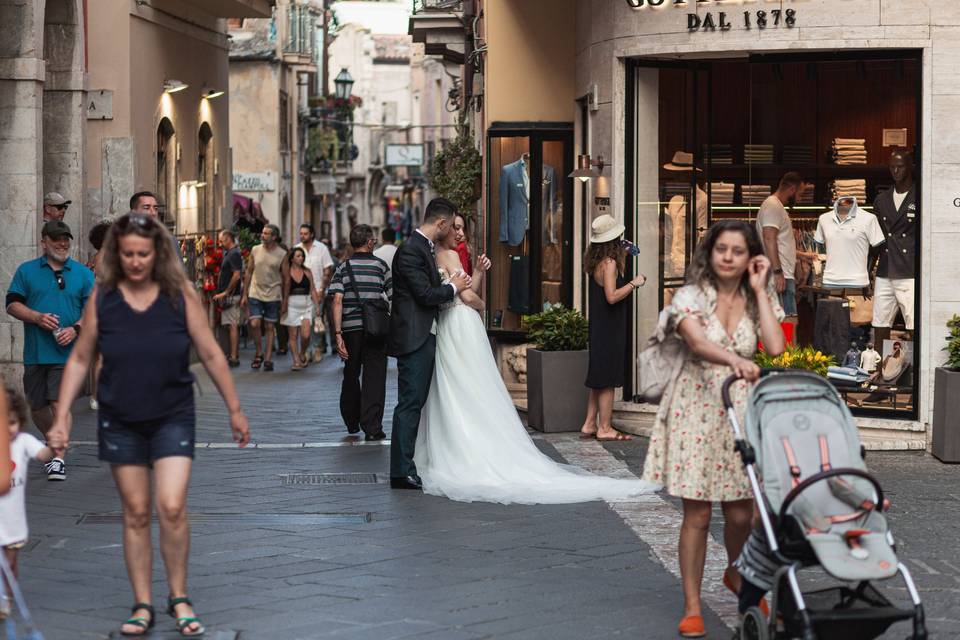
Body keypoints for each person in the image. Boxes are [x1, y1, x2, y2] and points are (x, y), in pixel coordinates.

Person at [47, 212, 251, 636]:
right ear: (117, 256)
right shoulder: (103, 298)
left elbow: (211, 353)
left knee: (171, 507)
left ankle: (179, 596)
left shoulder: (181, 295)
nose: (136, 261)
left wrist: (235, 408)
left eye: (143, 254)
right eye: (128, 255)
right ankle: (142, 603)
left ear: (156, 253)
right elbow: (81, 358)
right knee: (136, 512)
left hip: (173, 413)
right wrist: (63, 414)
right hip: (120, 417)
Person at [412, 206, 659, 504]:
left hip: (458, 326)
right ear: (443, 227)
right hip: (458, 323)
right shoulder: (445, 254)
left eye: (461, 227)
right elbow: (466, 296)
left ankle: (461, 446)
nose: (461, 233)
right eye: (457, 227)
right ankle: (469, 446)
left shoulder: (447, 254)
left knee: (462, 387)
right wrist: (477, 303)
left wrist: (476, 275)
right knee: (464, 387)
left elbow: (466, 291)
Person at [641, 220, 785, 638]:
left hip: (740, 412)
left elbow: (775, 347)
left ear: (750, 257)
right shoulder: (689, 295)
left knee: (743, 512)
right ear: (710, 252)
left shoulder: (758, 294)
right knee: (698, 513)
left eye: (737, 251)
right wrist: (734, 361)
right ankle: (691, 605)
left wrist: (761, 289)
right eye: (721, 248)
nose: (728, 257)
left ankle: (737, 575)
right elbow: (698, 342)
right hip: (696, 408)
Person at [387, 198, 471, 490]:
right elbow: (424, 294)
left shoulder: (423, 248)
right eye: (450, 225)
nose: (451, 231)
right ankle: (400, 471)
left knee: (416, 401)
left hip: (425, 334)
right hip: (414, 336)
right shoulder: (412, 249)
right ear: (441, 223)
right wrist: (453, 287)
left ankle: (407, 465)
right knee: (410, 402)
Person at [5, 220, 94, 481]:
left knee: (59, 404)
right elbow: (11, 304)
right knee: (37, 406)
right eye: (56, 239)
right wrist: (36, 317)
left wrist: (76, 329)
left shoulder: (82, 274)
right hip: (36, 351)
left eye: (66, 239)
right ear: (44, 242)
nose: (63, 243)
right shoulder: (27, 271)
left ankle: (57, 458)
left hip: (68, 353)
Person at [579, 215, 647, 442]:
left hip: (601, 326)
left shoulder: (597, 262)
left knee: (598, 378)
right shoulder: (609, 263)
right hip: (609, 327)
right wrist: (633, 283)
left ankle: (589, 424)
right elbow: (611, 296)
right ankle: (605, 427)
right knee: (607, 379)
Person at [330, 225, 392, 440]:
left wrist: (338, 334)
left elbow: (337, 300)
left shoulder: (342, 268)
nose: (374, 242)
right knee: (375, 378)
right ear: (368, 242)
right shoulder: (381, 266)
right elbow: (393, 297)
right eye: (373, 240)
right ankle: (372, 427)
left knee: (351, 373)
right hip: (376, 329)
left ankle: (352, 420)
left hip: (351, 330)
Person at [0, 383, 54, 620]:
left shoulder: (23, 441)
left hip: (13, 521)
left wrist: (54, 445)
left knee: (10, 564)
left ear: (20, 421)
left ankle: (7, 598)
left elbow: (44, 455)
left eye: (11, 422)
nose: (7, 428)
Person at [756, 172, 804, 321]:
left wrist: (804, 256)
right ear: (791, 189)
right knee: (787, 322)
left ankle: (781, 345)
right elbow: (769, 237)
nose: (799, 199)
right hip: (778, 275)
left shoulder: (775, 206)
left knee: (782, 322)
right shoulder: (773, 206)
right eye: (799, 194)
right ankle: (784, 345)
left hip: (779, 274)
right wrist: (777, 272)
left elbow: (778, 243)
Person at [241, 224, 286, 372]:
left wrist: (285, 300)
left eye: (266, 233)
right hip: (255, 291)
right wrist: (244, 294)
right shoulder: (255, 250)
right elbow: (248, 271)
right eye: (263, 233)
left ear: (274, 237)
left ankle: (267, 358)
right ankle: (258, 352)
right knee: (254, 323)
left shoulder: (282, 254)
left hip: (273, 293)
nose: (263, 235)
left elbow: (286, 277)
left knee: (270, 327)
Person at [294, 224, 334, 363]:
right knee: (305, 322)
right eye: (301, 233)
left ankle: (317, 348)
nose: (302, 235)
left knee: (316, 319)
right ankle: (307, 349)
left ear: (311, 234)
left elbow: (327, 269)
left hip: (317, 290)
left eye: (305, 233)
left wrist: (322, 289)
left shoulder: (321, 248)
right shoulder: (297, 249)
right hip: (300, 293)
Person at [281, 247, 320, 370]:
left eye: (302, 256)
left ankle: (302, 352)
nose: (301, 258)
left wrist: (317, 305)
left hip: (306, 305)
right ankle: (296, 361)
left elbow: (313, 289)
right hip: (291, 305)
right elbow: (283, 290)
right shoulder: (286, 272)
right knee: (293, 335)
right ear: (292, 259)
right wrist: (284, 304)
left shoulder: (307, 272)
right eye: (298, 256)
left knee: (306, 335)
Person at [211, 230, 244, 367]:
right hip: (229, 295)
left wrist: (225, 292)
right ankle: (231, 354)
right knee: (229, 325)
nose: (220, 243)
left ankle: (234, 357)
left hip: (231, 296)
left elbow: (236, 275)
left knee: (232, 325)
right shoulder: (230, 253)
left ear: (228, 239)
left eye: (221, 240)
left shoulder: (234, 253)